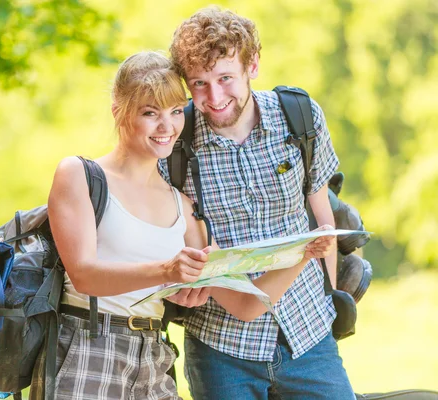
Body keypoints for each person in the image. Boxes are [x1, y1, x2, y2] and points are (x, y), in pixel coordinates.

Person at [46, 51, 335, 399]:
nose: (166, 126)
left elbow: (246, 306)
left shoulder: (181, 205)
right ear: (118, 111)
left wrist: (303, 255)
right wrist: (168, 271)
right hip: (88, 348)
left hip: (153, 356)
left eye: (174, 111)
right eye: (150, 113)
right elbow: (84, 276)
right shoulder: (80, 174)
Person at [161, 6, 356, 400]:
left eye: (225, 78)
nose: (214, 98)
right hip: (220, 348)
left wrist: (330, 304)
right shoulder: (174, 144)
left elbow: (322, 217)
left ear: (253, 65)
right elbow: (166, 239)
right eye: (199, 83)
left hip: (308, 333)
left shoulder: (299, 117)